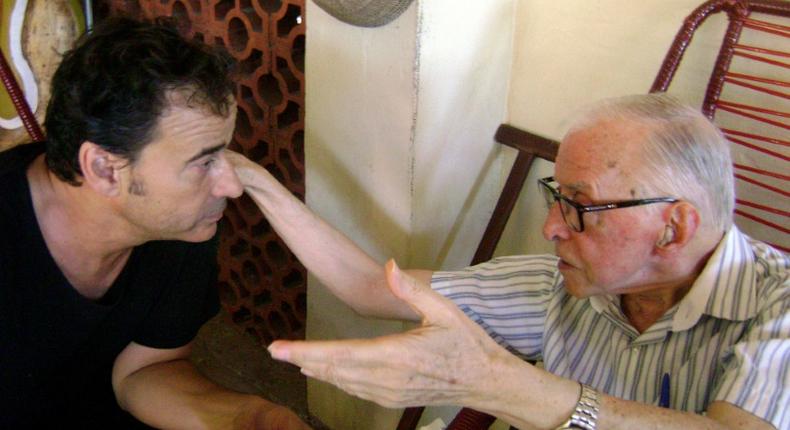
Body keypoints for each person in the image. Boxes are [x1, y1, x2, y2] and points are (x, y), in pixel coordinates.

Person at [229, 93, 788, 430]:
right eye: (556, 196)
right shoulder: (565, 286)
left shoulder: (777, 307)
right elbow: (368, 288)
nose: (549, 227)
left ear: (674, 227)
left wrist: (495, 383)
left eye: (580, 206)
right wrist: (257, 182)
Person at [0, 17, 309, 429]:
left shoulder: (182, 225)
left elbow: (143, 370)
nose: (232, 186)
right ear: (105, 170)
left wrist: (251, 418)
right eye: (204, 162)